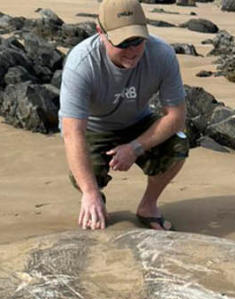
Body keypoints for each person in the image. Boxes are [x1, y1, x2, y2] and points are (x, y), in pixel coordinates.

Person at [59, 0, 189, 231]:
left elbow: (176, 117)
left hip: (138, 123)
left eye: (137, 40)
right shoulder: (81, 64)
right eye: (123, 43)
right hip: (95, 128)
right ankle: (96, 202)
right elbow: (72, 133)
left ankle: (148, 206)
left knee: (178, 143)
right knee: (82, 174)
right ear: (101, 33)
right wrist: (89, 193)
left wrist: (135, 147)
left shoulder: (162, 55)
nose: (132, 51)